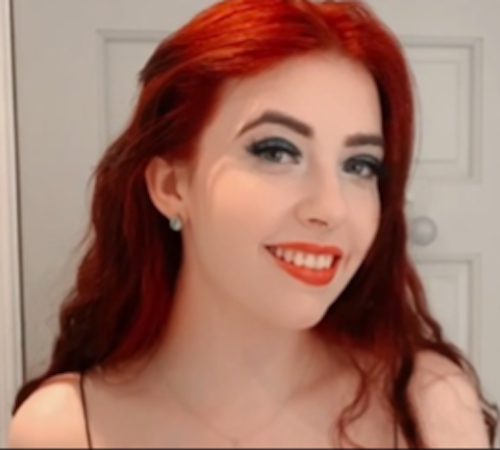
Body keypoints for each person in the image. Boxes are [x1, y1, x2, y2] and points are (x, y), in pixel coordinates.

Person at [7, 0, 498, 447]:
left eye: (359, 165)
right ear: (172, 187)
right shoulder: (66, 428)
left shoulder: (427, 406)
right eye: (276, 152)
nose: (331, 208)